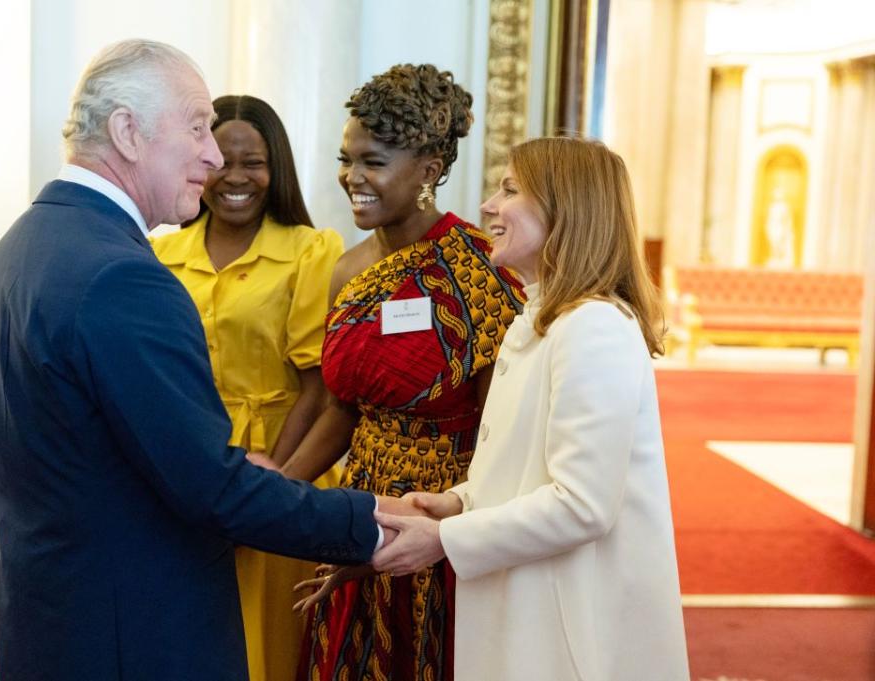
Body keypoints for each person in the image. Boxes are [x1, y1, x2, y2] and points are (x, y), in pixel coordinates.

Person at [0, 39, 409, 681]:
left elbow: (89, 445)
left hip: (57, 619)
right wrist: (372, 522)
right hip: (136, 636)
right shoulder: (123, 275)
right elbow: (210, 491)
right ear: (127, 132)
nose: (214, 154)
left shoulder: (25, 242)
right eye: (198, 126)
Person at [372, 137, 691, 680]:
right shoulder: (544, 316)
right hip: (528, 599)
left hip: (568, 622)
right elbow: (527, 466)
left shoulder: (592, 326)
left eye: (510, 189)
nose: (488, 206)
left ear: (566, 210)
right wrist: (456, 501)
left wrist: (445, 540)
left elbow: (582, 504)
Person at [284, 64, 524, 681]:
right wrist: (277, 495)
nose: (352, 178)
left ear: (427, 168)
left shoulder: (480, 272)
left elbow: (501, 434)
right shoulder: (349, 268)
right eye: (346, 159)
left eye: (373, 161)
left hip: (440, 519)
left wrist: (444, 527)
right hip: (361, 506)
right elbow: (341, 411)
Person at [152, 94, 344, 681]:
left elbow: (318, 391)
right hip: (190, 460)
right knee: (190, 629)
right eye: (221, 159)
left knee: (269, 642)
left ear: (276, 167)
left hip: (283, 461)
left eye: (253, 162)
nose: (235, 177)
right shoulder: (159, 252)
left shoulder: (313, 251)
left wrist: (268, 495)